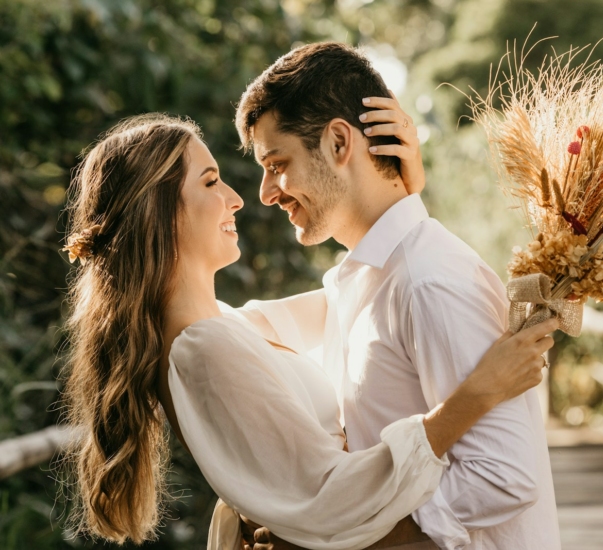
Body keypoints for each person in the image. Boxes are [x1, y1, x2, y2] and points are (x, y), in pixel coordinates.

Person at [61, 112, 557, 549]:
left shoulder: (227, 327)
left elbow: (364, 291)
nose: (237, 198)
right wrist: (475, 396)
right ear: (160, 210)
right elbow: (328, 494)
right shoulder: (203, 348)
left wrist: (398, 198)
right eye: (211, 182)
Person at [233, 42, 561, 550]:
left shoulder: (430, 281)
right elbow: (238, 328)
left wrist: (336, 543)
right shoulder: (362, 277)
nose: (265, 192)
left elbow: (504, 476)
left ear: (340, 143)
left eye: (277, 163)